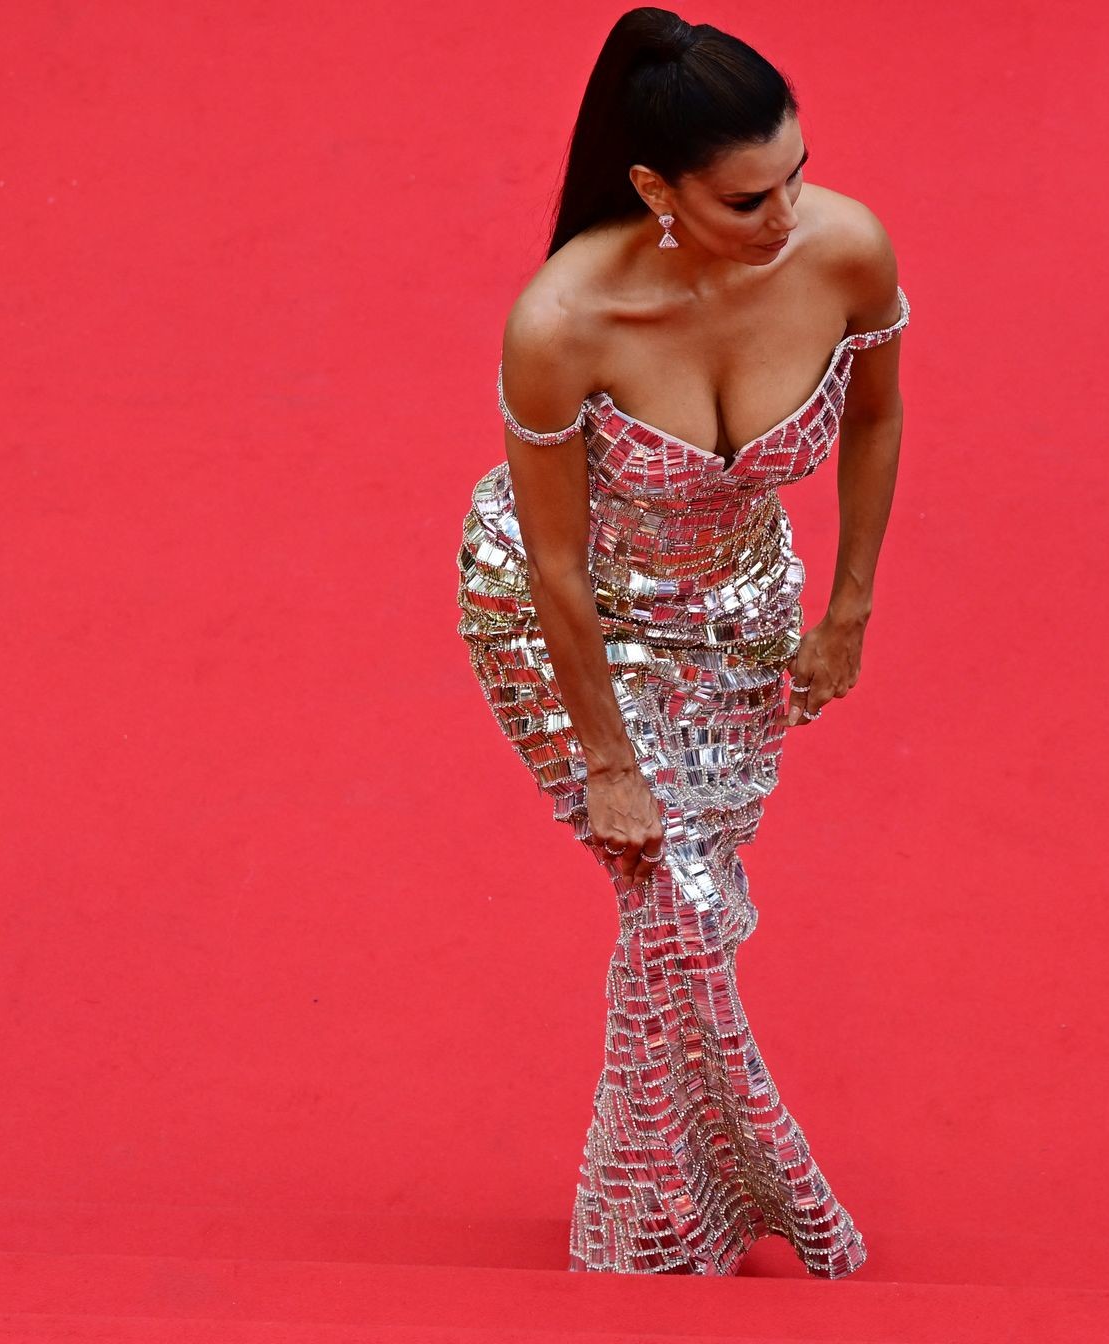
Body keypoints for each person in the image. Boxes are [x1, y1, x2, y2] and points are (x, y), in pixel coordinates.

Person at [454, 7, 906, 1278]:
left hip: (737, 619)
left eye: (798, 175)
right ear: (656, 190)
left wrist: (849, 609)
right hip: (564, 624)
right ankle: (729, 1213)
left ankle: (655, 1215)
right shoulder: (562, 322)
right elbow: (555, 564)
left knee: (680, 920)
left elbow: (876, 420)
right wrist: (608, 761)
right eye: (749, 199)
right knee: (680, 903)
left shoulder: (847, 252)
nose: (789, 215)